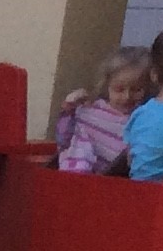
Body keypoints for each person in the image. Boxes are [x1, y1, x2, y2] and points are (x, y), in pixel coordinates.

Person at [54, 46, 151, 174]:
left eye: (137, 90)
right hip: (78, 179)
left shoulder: (144, 121)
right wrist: (69, 109)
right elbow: (64, 140)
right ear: (107, 85)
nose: (127, 96)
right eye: (119, 89)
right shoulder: (90, 112)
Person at [125, 26, 163, 182]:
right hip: (161, 194)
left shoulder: (141, 112)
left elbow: (130, 159)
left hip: (135, 188)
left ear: (154, 75)